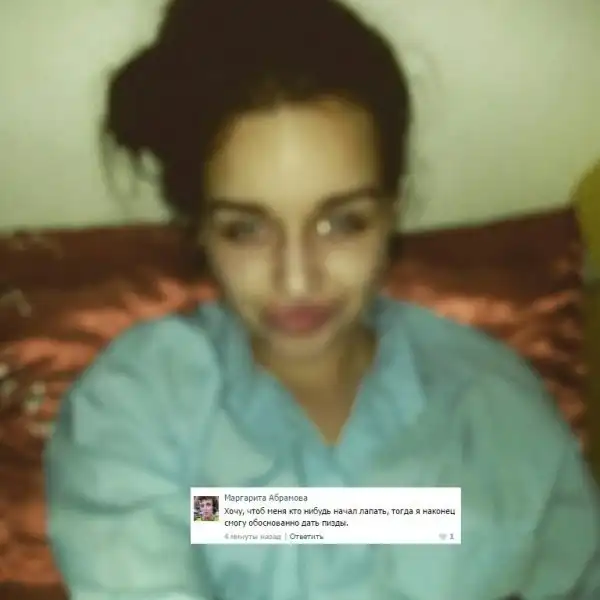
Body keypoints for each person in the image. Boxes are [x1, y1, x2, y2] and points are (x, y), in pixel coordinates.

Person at [45, 0, 600, 599]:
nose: (297, 279)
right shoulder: (140, 403)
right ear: (200, 228)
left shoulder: (490, 406)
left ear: (391, 212)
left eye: (342, 222)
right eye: (246, 229)